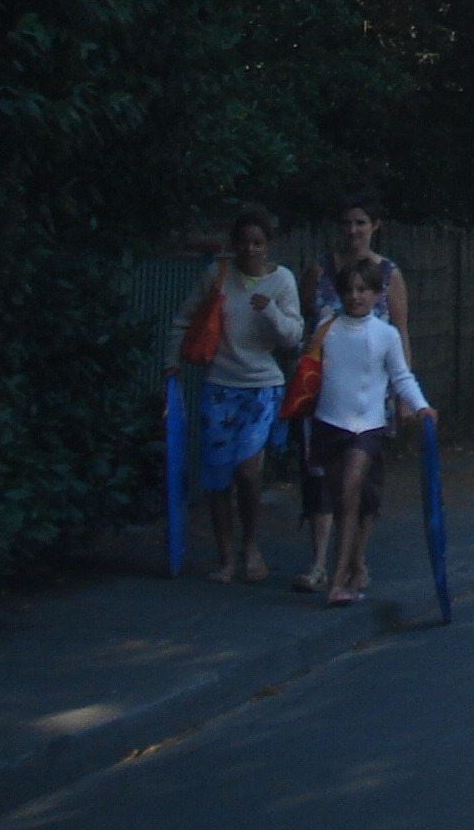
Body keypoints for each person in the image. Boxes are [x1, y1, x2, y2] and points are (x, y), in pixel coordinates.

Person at [165, 207, 303, 583]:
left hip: (262, 386)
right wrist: (170, 362)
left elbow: (293, 337)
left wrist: (270, 311)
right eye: (243, 243)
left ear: (268, 246)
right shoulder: (218, 276)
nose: (250, 250)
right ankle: (226, 557)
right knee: (217, 476)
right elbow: (184, 317)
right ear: (233, 245)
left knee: (247, 472)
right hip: (220, 385)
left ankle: (251, 546)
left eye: (257, 243)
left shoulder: (282, 281)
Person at [297, 193, 413, 593]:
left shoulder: (389, 274)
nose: (353, 231)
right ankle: (319, 563)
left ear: (374, 226)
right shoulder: (320, 271)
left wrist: (404, 396)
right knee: (321, 477)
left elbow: (400, 333)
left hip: (372, 397)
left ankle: (355, 560)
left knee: (361, 483)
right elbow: (305, 326)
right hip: (324, 394)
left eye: (361, 223)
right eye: (347, 223)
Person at [310, 259, 431, 608]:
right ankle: (347, 572)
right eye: (348, 289)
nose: (355, 296)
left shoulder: (386, 334)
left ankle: (337, 581)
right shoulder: (326, 329)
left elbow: (401, 377)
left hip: (367, 428)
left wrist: (421, 406)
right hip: (328, 424)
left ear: (377, 294)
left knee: (349, 493)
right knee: (340, 497)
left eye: (362, 289)